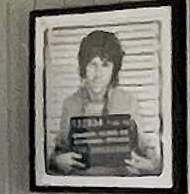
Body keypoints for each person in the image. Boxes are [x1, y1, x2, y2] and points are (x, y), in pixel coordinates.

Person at [49, 29, 160, 176]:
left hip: (120, 181)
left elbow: (146, 148)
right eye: (92, 64)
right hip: (83, 183)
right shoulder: (70, 104)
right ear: (83, 66)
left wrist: (150, 165)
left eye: (105, 65)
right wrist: (57, 161)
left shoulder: (128, 102)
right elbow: (58, 151)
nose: (98, 74)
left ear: (114, 69)